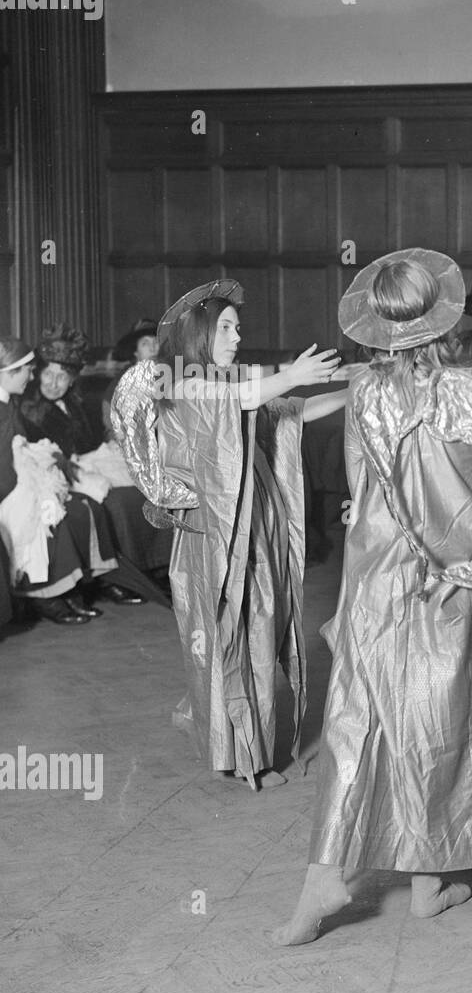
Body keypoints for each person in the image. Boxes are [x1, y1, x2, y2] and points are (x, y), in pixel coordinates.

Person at [274, 249, 472, 946]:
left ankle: (328, 876)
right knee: (441, 718)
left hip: (375, 579)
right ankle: (427, 878)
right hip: (452, 578)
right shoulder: (465, 394)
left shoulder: (366, 395)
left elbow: (358, 490)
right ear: (440, 317)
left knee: (359, 721)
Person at [111, 279, 349, 789]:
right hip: (213, 537)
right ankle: (237, 752)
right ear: (200, 332)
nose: (237, 336)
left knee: (258, 628)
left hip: (251, 522)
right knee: (227, 635)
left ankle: (245, 742)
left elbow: (292, 412)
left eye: (238, 327)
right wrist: (291, 374)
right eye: (225, 327)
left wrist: (353, 389)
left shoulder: (225, 384)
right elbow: (238, 396)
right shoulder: (180, 384)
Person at [23, 323, 168, 601]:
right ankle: (117, 579)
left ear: (72, 381)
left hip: (87, 467)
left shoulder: (72, 405)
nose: (54, 384)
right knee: (118, 502)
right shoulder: (32, 411)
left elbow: (90, 443)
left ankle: (152, 569)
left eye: (62, 377)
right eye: (48, 374)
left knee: (142, 493)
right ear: (38, 374)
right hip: (56, 477)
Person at [1, 335, 125, 626]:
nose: (33, 378)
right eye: (30, 371)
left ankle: (76, 587)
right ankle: (45, 594)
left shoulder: (10, 404)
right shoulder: (9, 408)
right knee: (53, 511)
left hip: (19, 478)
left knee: (79, 505)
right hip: (8, 486)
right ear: (10, 373)